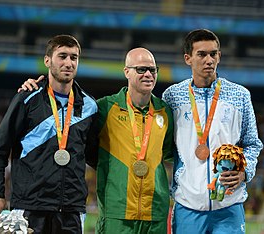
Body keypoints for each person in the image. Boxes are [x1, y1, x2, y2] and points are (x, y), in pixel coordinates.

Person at [20, 47, 175, 234]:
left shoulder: (165, 112)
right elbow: (74, 127)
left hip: (155, 212)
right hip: (117, 212)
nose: (148, 74)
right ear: (127, 71)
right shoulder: (104, 108)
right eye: (141, 69)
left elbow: (166, 152)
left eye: (152, 69)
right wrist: (40, 85)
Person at [0, 34, 98, 233]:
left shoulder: (89, 106)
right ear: (47, 60)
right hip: (29, 206)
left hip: (71, 209)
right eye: (62, 56)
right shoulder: (27, 99)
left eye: (74, 57)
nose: (68, 63)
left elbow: (95, 156)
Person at [162, 29, 263, 233]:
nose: (209, 60)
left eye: (213, 54)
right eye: (202, 54)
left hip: (229, 206)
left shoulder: (240, 96)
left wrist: (245, 172)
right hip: (187, 205)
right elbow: (164, 146)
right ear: (187, 58)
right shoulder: (172, 97)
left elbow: (252, 143)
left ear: (219, 56)